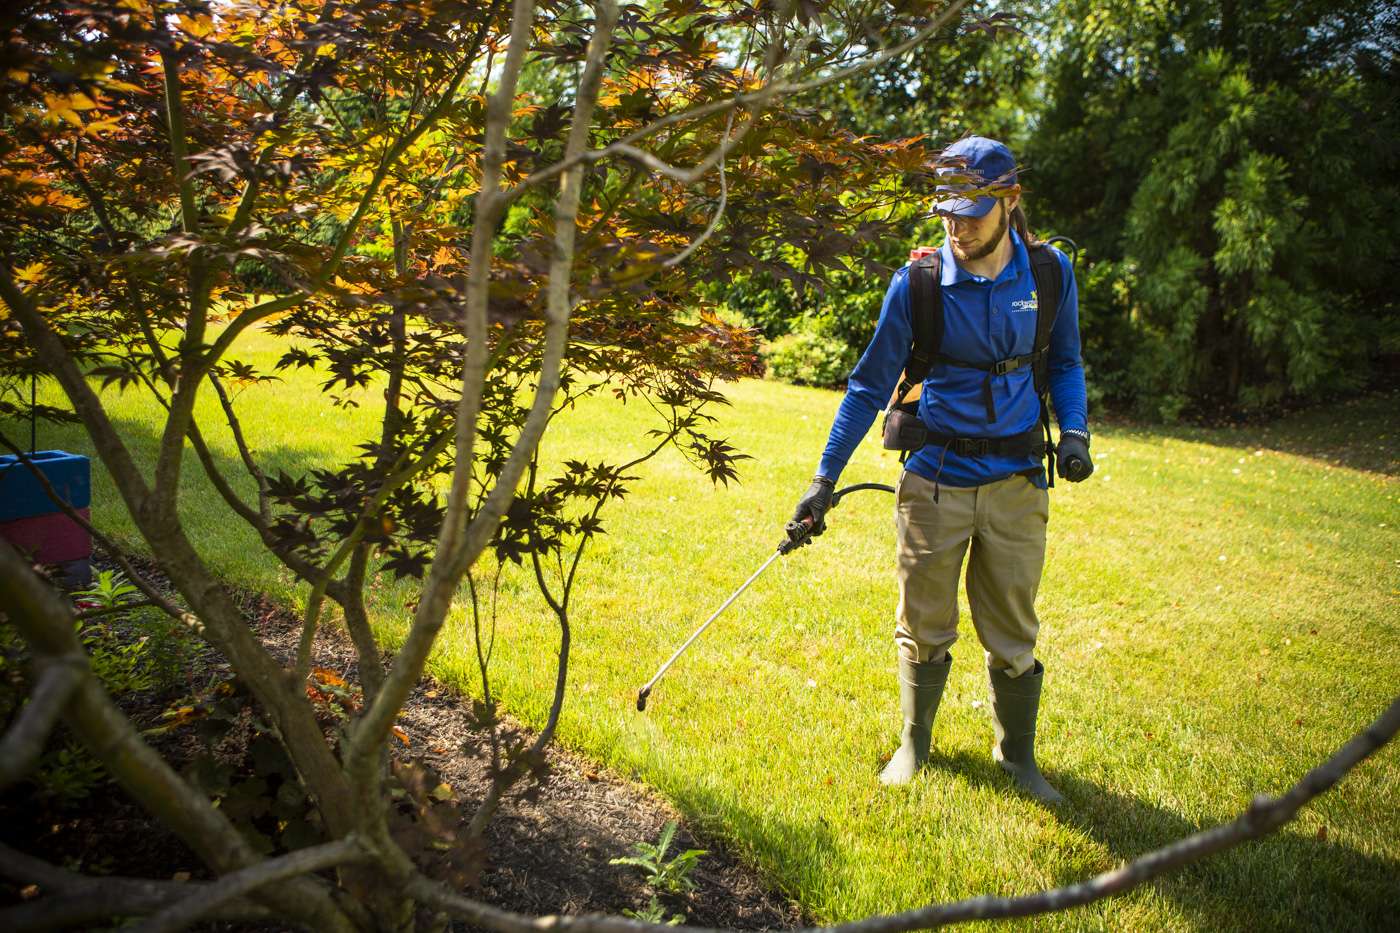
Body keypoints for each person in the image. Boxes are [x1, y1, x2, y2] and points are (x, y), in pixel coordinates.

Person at [788, 136, 1093, 800]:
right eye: (948, 212)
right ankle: (913, 744)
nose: (957, 227)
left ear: (1009, 201)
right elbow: (868, 386)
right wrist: (823, 479)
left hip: (1017, 483)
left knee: (1014, 631)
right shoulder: (919, 283)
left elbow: (1066, 361)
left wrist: (1074, 431)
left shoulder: (1049, 274)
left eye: (972, 213)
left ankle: (1018, 758)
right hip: (933, 481)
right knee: (924, 625)